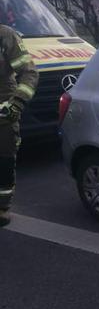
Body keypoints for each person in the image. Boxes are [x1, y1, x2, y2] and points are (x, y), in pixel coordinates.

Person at [0, 24, 38, 226]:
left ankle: (2, 207)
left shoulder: (5, 36)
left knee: (3, 161)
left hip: (3, 115)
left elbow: (29, 73)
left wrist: (18, 103)